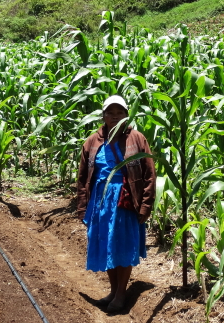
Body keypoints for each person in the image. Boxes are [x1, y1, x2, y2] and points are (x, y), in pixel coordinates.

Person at [76, 95, 156, 312]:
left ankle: (121, 294)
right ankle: (113, 290)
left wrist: (146, 204)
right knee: (106, 245)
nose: (114, 117)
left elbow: (149, 174)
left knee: (122, 245)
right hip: (99, 202)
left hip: (125, 200)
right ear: (103, 116)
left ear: (126, 115)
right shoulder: (92, 141)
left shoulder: (137, 138)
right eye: (110, 113)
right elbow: (83, 177)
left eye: (119, 112)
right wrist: (83, 206)